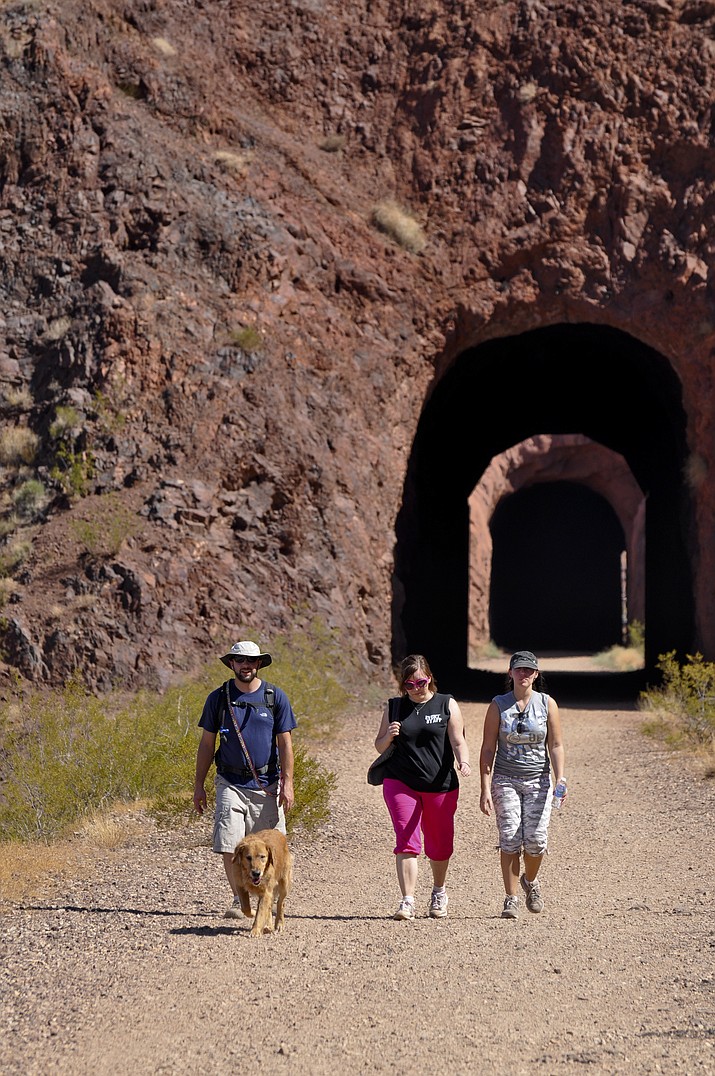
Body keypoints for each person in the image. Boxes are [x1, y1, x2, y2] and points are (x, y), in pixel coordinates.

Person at [193, 639, 296, 918]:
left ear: (259, 663)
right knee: (231, 843)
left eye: (251, 661)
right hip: (229, 782)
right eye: (240, 661)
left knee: (270, 847)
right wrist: (199, 785)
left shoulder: (275, 697)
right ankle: (241, 899)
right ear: (232, 664)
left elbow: (285, 744)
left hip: (267, 785)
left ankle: (266, 894)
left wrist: (288, 783)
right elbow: (206, 743)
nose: (245, 665)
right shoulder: (218, 698)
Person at [373, 654, 471, 921]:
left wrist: (464, 761)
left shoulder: (445, 703)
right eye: (410, 685)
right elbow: (379, 746)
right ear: (403, 686)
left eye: (421, 682)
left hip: (440, 785)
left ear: (430, 678)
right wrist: (388, 735)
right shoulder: (394, 707)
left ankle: (439, 891)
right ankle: (407, 901)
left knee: (439, 845)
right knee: (406, 840)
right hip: (400, 782)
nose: (416, 688)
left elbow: (458, 739)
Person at [479, 650, 566, 919]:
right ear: (510, 673)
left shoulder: (547, 704)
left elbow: (556, 744)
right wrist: (484, 787)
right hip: (506, 779)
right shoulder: (498, 705)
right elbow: (487, 748)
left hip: (539, 780)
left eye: (529, 670)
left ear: (536, 674)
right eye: (519, 669)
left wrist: (559, 778)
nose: (524, 674)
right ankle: (511, 898)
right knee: (509, 838)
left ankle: (530, 881)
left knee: (536, 842)